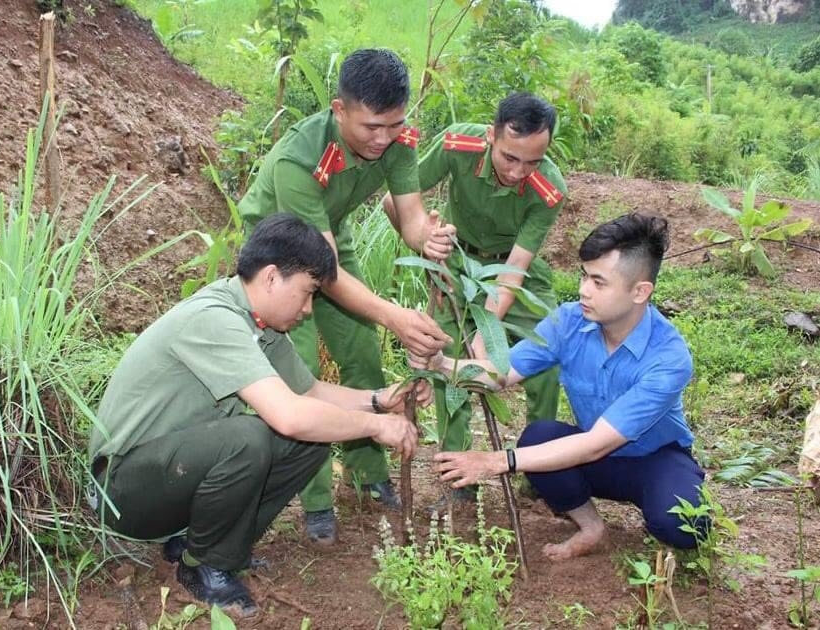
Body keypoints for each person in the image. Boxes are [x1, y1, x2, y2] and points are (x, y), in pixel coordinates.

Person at [89, 214, 429, 616]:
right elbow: (289, 415)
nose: (307, 309)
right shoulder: (215, 318)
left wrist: (379, 400)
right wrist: (376, 426)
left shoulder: (261, 326)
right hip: (123, 492)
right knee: (250, 437)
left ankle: (209, 544)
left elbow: (312, 394)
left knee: (311, 442)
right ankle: (205, 568)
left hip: (170, 478)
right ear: (271, 278)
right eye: (306, 293)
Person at [238, 48, 455, 544]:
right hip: (279, 259)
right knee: (300, 375)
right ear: (339, 110)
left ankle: (365, 470)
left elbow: (413, 218)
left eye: (394, 125)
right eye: (370, 127)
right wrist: (393, 315)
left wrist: (430, 239)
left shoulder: (397, 141)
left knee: (362, 358)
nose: (383, 139)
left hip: (331, 239)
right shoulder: (300, 158)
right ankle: (315, 500)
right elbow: (322, 270)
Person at [410, 213, 708, 560]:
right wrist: (443, 364)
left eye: (599, 282)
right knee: (538, 439)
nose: (583, 290)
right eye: (584, 276)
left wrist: (495, 461)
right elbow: (501, 375)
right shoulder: (569, 321)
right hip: (596, 459)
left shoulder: (668, 357)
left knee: (682, 525)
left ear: (640, 291)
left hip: (655, 458)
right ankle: (591, 526)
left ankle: (663, 507)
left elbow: (596, 444)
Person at [385, 92, 566, 507]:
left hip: (517, 277)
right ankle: (458, 482)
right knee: (445, 367)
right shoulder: (456, 145)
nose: (519, 171)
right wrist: (426, 247)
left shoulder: (549, 188)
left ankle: (538, 473)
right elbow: (394, 198)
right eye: (509, 158)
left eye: (533, 161)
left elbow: (516, 269)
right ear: (490, 136)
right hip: (458, 264)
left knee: (546, 359)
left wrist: (485, 332)